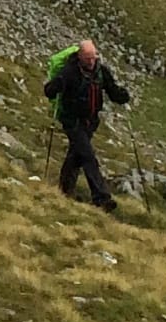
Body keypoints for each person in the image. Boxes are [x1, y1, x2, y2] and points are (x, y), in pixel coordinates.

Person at [43, 37, 133, 212]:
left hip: (90, 122)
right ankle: (102, 198)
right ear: (79, 56)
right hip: (72, 120)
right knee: (88, 156)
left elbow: (113, 91)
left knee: (76, 156)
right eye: (87, 58)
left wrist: (122, 96)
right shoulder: (69, 72)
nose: (91, 62)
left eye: (94, 57)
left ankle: (64, 190)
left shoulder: (101, 71)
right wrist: (55, 88)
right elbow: (49, 90)